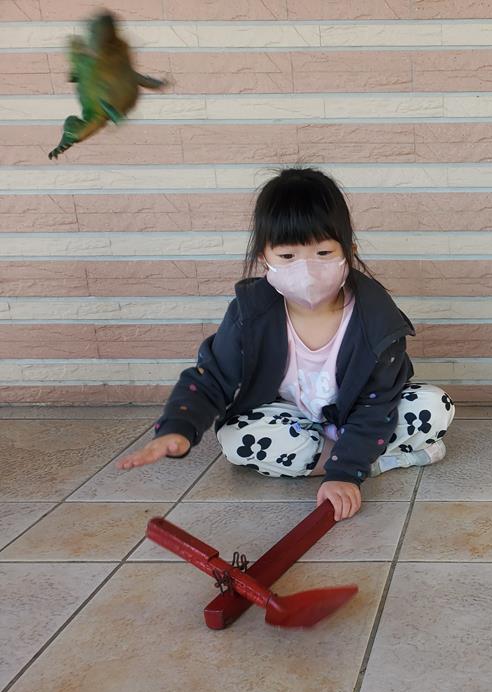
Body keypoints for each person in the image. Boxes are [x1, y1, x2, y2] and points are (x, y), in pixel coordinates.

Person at [118, 167, 454, 519]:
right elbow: (211, 378)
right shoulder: (251, 315)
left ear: (348, 252)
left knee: (434, 406)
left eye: (323, 253)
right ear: (264, 259)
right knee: (235, 439)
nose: (307, 270)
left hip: (357, 417)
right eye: (288, 257)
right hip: (289, 418)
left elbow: (376, 405)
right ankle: (375, 460)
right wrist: (178, 427)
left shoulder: (376, 319)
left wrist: (344, 474)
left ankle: (345, 461)